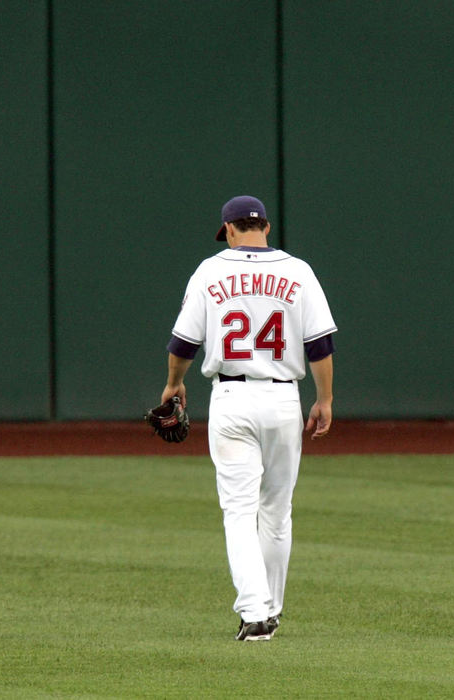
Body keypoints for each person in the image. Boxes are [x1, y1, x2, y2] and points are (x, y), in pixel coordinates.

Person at [160, 195, 336, 642]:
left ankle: (255, 611)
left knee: (239, 511)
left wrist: (173, 385)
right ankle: (270, 611)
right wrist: (325, 400)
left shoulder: (210, 270)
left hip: (232, 399)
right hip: (283, 401)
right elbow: (319, 346)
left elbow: (183, 344)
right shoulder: (299, 272)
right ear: (267, 228)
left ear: (230, 230)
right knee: (277, 512)